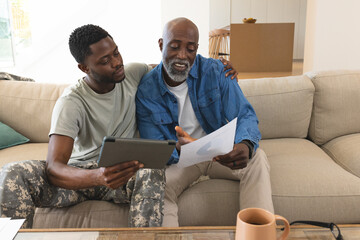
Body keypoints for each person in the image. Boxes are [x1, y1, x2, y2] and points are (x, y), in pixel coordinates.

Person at [0, 24, 237, 228]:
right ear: (84, 68)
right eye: (105, 60)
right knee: (12, 172)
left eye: (116, 53)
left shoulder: (133, 73)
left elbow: (174, 64)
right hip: (81, 177)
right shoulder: (71, 102)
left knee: (152, 171)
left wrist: (217, 67)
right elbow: (54, 168)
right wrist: (97, 176)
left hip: (124, 174)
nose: (116, 63)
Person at [136, 17, 274, 227]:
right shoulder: (147, 89)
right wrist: (182, 150)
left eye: (190, 49)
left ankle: (257, 233)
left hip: (220, 152)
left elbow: (244, 114)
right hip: (180, 159)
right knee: (158, 186)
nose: (183, 56)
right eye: (174, 47)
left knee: (258, 158)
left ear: (197, 49)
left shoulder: (216, 71)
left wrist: (245, 144)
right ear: (161, 45)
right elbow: (155, 145)